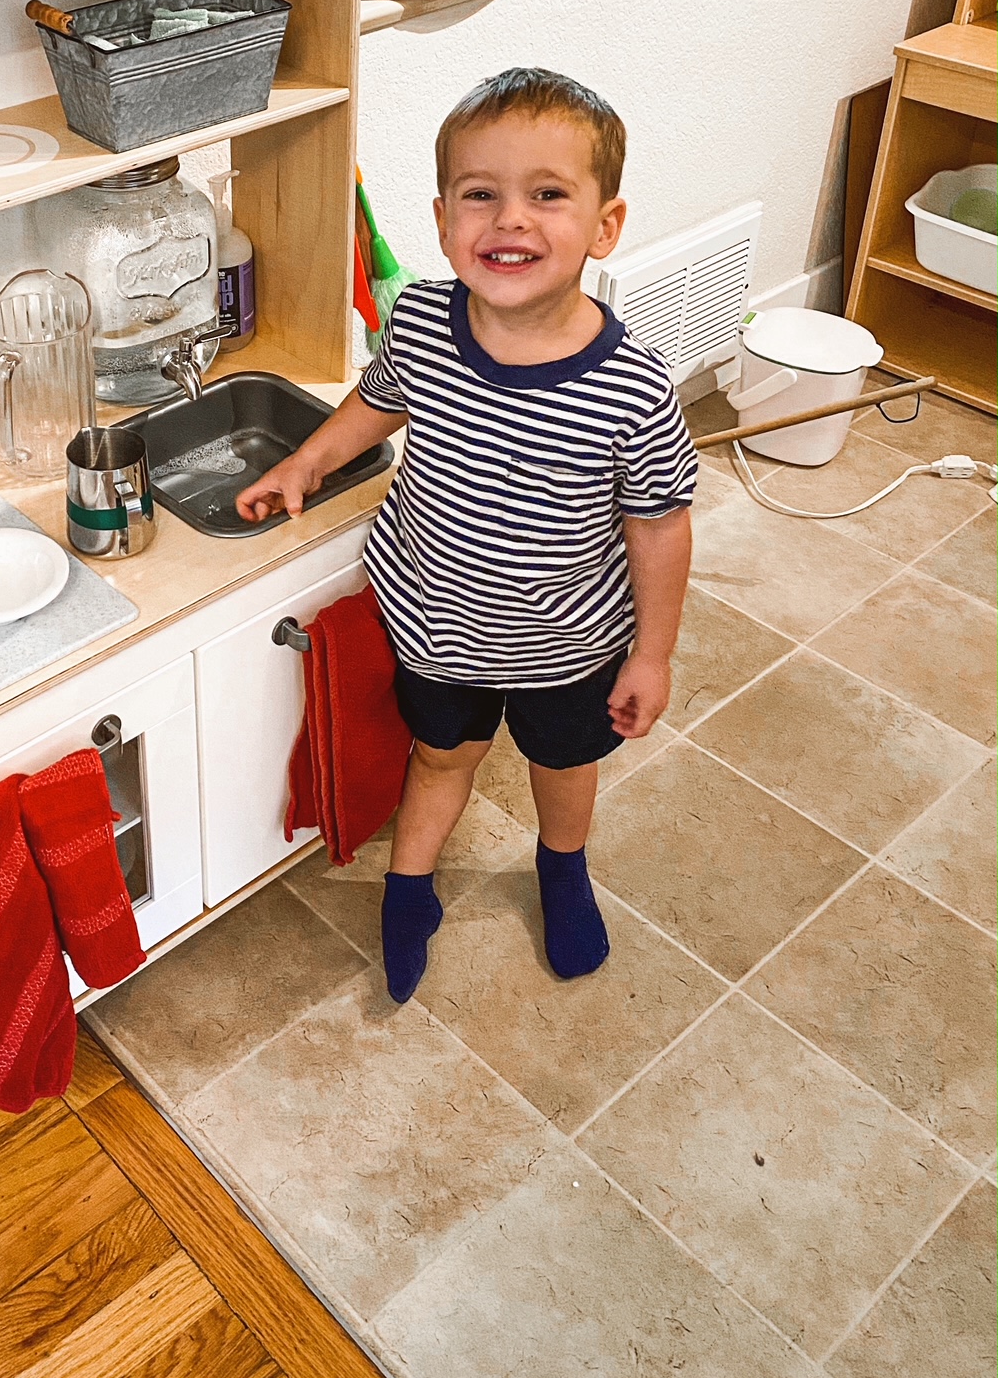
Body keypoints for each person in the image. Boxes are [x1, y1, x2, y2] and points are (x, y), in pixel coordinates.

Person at [236, 68, 696, 1001]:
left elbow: (659, 528)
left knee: (561, 765)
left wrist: (654, 654)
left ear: (605, 225)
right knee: (441, 754)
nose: (510, 221)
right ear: (445, 217)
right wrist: (308, 463)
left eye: (548, 195)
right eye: (481, 195)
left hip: (566, 645)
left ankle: (561, 869)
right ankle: (411, 885)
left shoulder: (636, 390)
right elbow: (380, 401)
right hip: (434, 628)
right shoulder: (421, 322)